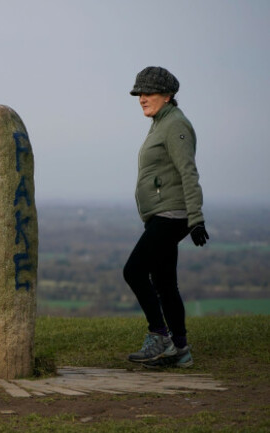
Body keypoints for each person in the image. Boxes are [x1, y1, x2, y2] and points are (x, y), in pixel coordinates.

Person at [123, 66, 209, 368]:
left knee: (133, 271)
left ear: (167, 95)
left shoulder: (175, 125)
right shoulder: (160, 123)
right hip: (162, 214)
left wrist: (196, 219)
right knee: (165, 284)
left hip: (172, 215)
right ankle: (181, 351)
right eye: (139, 93)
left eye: (148, 93)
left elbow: (188, 171)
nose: (142, 98)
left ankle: (159, 334)